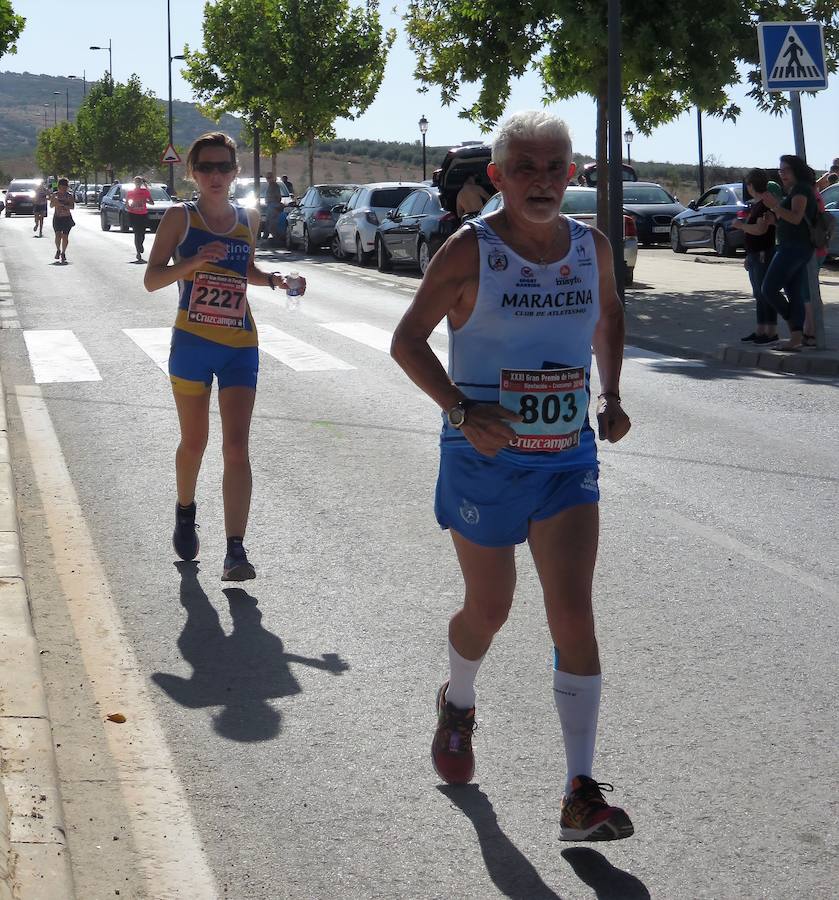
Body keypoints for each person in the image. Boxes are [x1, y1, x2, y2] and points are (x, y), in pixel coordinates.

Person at [391, 110, 634, 842]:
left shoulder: (590, 246)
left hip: (565, 460)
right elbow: (406, 342)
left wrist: (611, 394)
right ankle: (457, 699)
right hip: (484, 460)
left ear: (574, 173)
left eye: (554, 166)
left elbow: (609, 316)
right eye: (523, 168)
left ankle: (578, 791)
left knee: (572, 613)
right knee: (489, 609)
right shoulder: (472, 251)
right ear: (495, 177)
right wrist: (463, 412)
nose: (541, 180)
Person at [144, 132, 306, 581]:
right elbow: (152, 280)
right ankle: (184, 509)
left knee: (237, 447)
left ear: (235, 172)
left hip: (240, 345)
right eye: (206, 168)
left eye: (224, 167)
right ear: (193, 173)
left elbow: (245, 270)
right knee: (194, 442)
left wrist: (275, 279)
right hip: (192, 345)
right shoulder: (181, 217)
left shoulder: (247, 217)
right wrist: (193, 264)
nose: (216, 175)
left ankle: (236, 549)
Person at [758, 155, 818, 352]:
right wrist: (775, 221)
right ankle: (796, 338)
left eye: (786, 170)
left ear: (796, 170)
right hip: (793, 245)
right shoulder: (795, 190)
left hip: (794, 248)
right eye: (780, 170)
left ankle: (793, 326)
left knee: (768, 288)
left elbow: (796, 217)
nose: (781, 174)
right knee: (794, 293)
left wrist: (775, 206)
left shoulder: (801, 189)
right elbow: (790, 221)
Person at [731, 169, 780, 344]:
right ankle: (761, 330)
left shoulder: (764, 205)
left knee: (764, 292)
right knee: (759, 294)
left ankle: (770, 331)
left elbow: (760, 230)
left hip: (762, 254)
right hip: (755, 254)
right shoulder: (758, 204)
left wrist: (741, 226)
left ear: (751, 185)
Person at [125, 175, 155, 261]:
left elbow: (152, 203)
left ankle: (140, 245)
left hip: (143, 214)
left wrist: (145, 201)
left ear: (141, 183)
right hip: (133, 214)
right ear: (134, 183)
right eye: (136, 182)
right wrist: (130, 206)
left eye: (139, 182)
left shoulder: (145, 192)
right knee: (137, 233)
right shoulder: (130, 192)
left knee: (142, 233)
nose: (137, 183)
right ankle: (138, 251)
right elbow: (127, 204)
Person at [49, 177, 75, 264]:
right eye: (62, 187)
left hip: (67, 218)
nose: (63, 189)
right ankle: (58, 250)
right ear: (59, 186)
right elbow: (51, 205)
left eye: (65, 187)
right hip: (57, 217)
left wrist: (63, 205)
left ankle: (63, 252)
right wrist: (55, 202)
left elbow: (72, 207)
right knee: (57, 235)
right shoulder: (55, 195)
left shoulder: (69, 196)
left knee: (65, 236)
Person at [264, 171, 283, 242]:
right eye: (267, 178)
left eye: (269, 177)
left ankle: (276, 237)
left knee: (272, 222)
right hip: (270, 205)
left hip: (273, 204)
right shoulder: (270, 185)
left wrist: (275, 203)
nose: (267, 179)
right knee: (268, 221)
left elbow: (278, 196)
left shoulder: (275, 186)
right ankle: (266, 236)